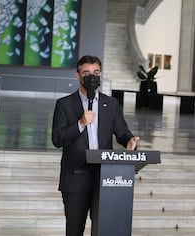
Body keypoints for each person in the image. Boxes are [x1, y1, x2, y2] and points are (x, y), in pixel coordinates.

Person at [51, 55, 140, 236]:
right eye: (87, 73)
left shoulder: (111, 104)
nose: (92, 77)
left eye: (96, 72)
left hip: (105, 176)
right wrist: (80, 124)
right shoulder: (64, 104)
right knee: (74, 230)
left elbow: (122, 133)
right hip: (75, 178)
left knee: (104, 229)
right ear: (78, 76)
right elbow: (57, 139)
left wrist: (130, 142)